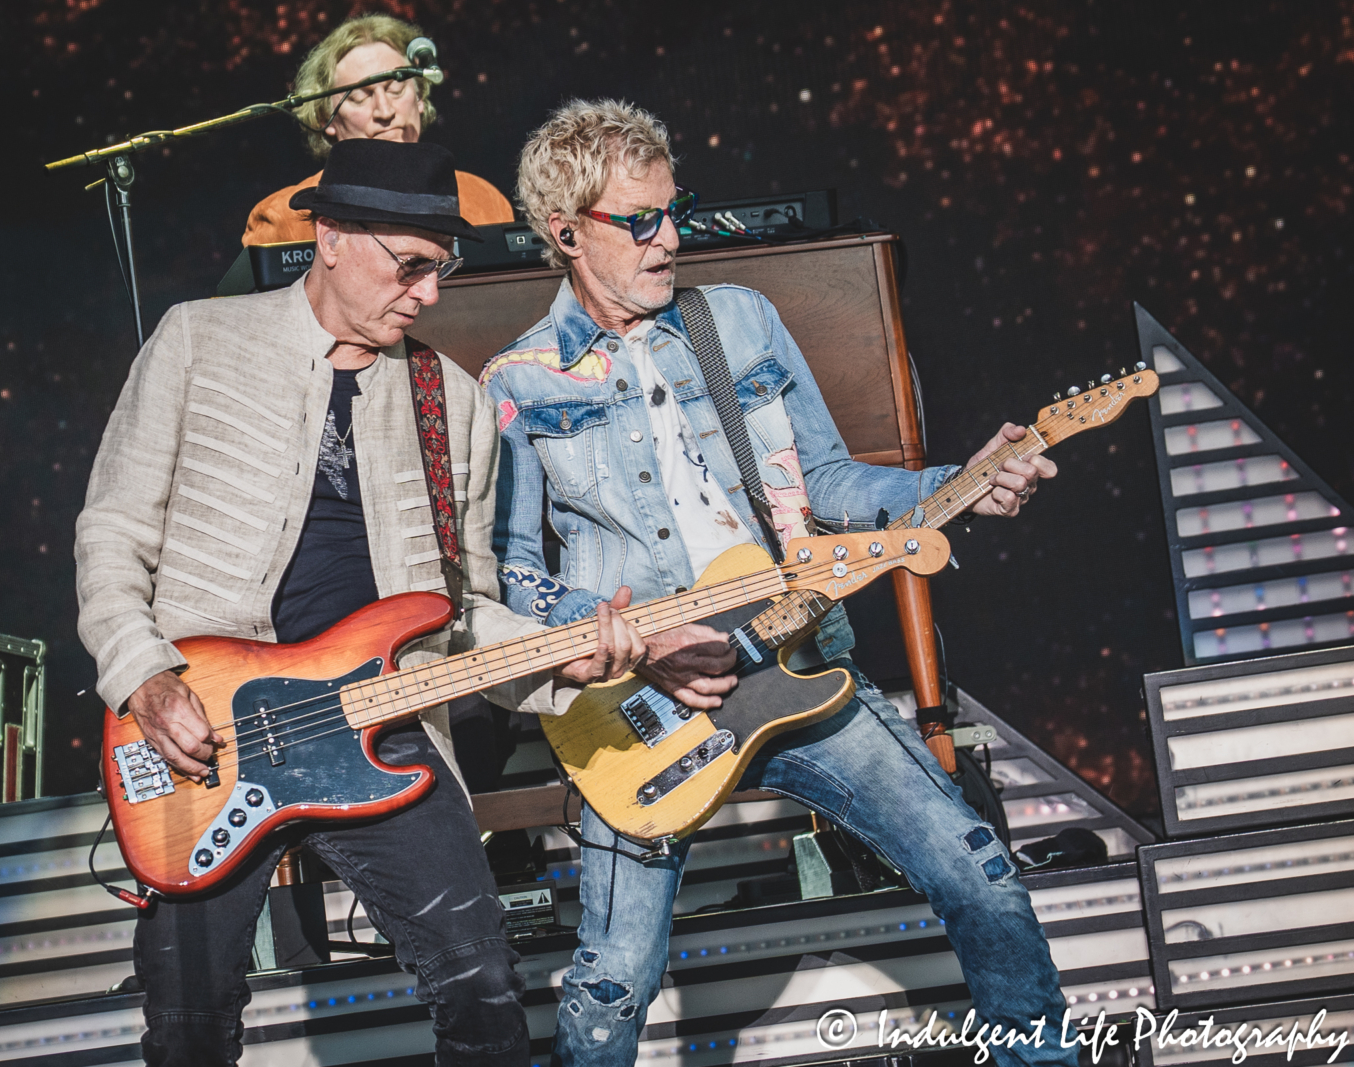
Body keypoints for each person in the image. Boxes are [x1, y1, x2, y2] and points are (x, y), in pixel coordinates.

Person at [481, 99, 1073, 1067]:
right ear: (565, 233)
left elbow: (833, 484)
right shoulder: (520, 383)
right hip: (638, 704)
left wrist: (960, 483)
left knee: (983, 876)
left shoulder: (738, 322)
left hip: (791, 659)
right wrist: (630, 638)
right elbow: (512, 583)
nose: (667, 237)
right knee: (611, 982)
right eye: (637, 222)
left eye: (672, 211)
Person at [76, 138, 646, 1067]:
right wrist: (143, 676)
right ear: (332, 235)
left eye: (440, 269)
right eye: (410, 266)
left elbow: (463, 613)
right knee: (187, 1019)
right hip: (204, 727)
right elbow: (111, 534)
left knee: (484, 988)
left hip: (377, 722)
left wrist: (559, 654)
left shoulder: (452, 404)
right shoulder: (196, 338)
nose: (428, 294)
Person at [241, 13, 513, 246]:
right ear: (327, 118)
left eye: (396, 89)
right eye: (360, 97)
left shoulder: (485, 200)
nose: (385, 111)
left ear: (419, 97)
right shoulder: (283, 219)